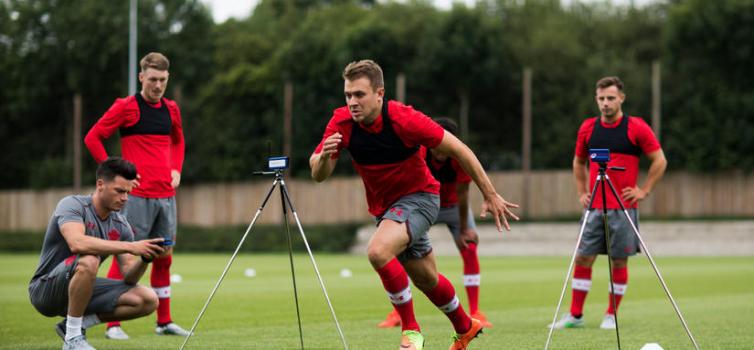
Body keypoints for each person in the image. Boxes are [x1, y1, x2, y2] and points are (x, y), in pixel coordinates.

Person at [310, 59, 519, 350]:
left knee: (378, 251)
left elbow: (459, 149)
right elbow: (318, 174)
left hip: (421, 198)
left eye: (360, 95)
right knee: (426, 278)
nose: (352, 102)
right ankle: (465, 325)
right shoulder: (341, 122)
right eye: (348, 95)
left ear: (380, 93)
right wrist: (322, 158)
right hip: (386, 209)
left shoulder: (403, 118)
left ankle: (411, 330)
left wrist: (490, 194)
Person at [84, 52, 188, 339]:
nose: (158, 86)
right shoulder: (126, 107)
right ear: (141, 77)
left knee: (164, 257)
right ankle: (113, 325)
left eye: (163, 80)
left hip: (166, 196)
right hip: (136, 198)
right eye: (152, 79)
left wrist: (176, 168)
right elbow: (92, 137)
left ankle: (164, 321)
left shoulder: (172, 109)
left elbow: (178, 141)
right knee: (126, 257)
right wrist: (115, 175)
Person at [549, 76, 667, 330]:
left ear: (621, 98)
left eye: (610, 98)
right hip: (593, 209)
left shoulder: (636, 127)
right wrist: (582, 191)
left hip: (623, 210)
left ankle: (611, 315)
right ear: (596, 100)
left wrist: (643, 190)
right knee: (582, 259)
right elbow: (578, 162)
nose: (605, 103)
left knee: (618, 262)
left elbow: (660, 160)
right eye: (601, 99)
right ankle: (575, 316)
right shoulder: (588, 128)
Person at [28, 157, 166, 350]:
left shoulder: (121, 225)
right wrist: (131, 246)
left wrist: (144, 258)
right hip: (45, 291)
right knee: (89, 259)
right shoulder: (72, 205)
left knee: (147, 299)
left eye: (128, 192)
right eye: (119, 191)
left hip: (80, 292)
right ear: (100, 184)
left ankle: (75, 326)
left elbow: (129, 276)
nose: (125, 198)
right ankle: (73, 340)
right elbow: (77, 243)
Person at [378, 117, 493, 329]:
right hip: (423, 204)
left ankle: (475, 311)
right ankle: (397, 314)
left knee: (470, 247)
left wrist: (465, 227)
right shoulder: (420, 152)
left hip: (452, 207)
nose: (440, 150)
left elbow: (463, 192)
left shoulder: (458, 158)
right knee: (398, 250)